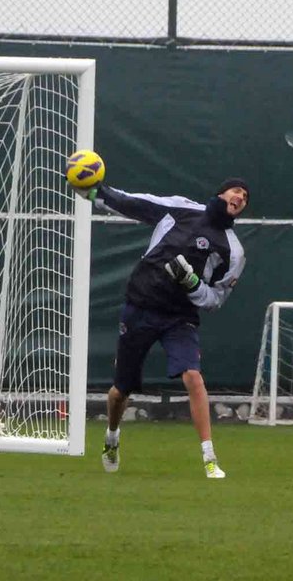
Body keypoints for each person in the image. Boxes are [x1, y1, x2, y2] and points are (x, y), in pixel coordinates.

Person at [73, 177, 250, 478]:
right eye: (237, 191)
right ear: (221, 193)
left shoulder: (234, 251)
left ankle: (209, 458)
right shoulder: (182, 209)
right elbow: (133, 202)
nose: (241, 198)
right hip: (140, 306)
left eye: (245, 197)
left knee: (193, 376)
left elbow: (215, 299)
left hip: (179, 317)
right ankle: (112, 436)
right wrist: (94, 192)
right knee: (120, 391)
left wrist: (192, 283)